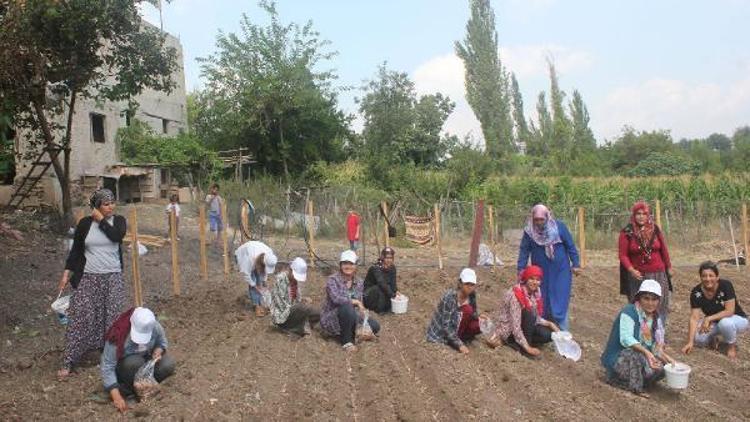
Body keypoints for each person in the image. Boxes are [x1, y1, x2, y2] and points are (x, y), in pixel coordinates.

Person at [57, 188, 127, 379]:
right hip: (88, 277)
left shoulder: (119, 222)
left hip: (113, 277)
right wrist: (65, 274)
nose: (111, 206)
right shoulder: (84, 224)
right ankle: (69, 360)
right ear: (96, 206)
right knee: (80, 316)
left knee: (111, 318)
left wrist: (101, 220)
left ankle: (110, 358)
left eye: (113, 202)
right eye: (106, 204)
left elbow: (116, 237)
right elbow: (76, 251)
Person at [601, 280, 676, 397]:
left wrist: (670, 361)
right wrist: (647, 353)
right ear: (639, 298)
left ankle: (639, 381)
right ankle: (631, 386)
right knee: (636, 354)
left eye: (654, 299)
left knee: (664, 367)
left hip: (642, 357)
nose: (650, 303)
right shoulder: (629, 312)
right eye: (646, 298)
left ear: (659, 301)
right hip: (621, 357)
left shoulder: (656, 318)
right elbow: (626, 339)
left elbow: (656, 348)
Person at [517, 204, 581, 331]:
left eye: (542, 219)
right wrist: (521, 269)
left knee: (560, 298)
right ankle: (547, 331)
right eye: (536, 220)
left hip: (560, 271)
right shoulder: (529, 232)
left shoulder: (559, 227)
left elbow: (570, 246)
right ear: (532, 219)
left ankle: (564, 332)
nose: (539, 222)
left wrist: (576, 263)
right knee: (542, 298)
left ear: (547, 217)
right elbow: (524, 251)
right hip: (540, 273)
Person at [101, 307, 175, 413]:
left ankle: (147, 385)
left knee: (168, 364)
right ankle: (130, 391)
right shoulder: (118, 334)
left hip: (146, 361)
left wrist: (158, 350)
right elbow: (107, 366)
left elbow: (162, 343)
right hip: (127, 367)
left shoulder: (154, 326)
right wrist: (116, 396)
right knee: (134, 363)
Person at [487, 265, 559, 357]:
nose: (535, 282)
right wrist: (528, 348)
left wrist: (550, 324)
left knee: (548, 333)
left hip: (524, 324)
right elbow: (515, 326)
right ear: (525, 279)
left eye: (537, 280)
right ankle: (522, 347)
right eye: (531, 279)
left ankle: (522, 342)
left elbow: (536, 317)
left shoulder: (535, 293)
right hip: (510, 330)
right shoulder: (516, 295)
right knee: (529, 315)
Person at [682, 261, 748, 360]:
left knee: (725, 323)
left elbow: (729, 311)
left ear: (717, 277)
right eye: (704, 276)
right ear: (700, 277)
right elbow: (694, 318)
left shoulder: (725, 285)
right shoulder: (696, 292)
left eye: (711, 275)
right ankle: (715, 338)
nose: (708, 279)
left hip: (736, 319)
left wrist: (708, 318)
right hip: (715, 321)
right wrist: (690, 342)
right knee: (699, 340)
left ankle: (731, 346)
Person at [618, 201, 672, 319]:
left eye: (644, 214)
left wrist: (669, 267)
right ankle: (640, 333)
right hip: (638, 275)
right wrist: (631, 270)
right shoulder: (627, 232)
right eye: (638, 213)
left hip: (658, 273)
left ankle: (658, 333)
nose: (641, 216)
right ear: (633, 215)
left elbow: (664, 249)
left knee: (660, 304)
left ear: (648, 215)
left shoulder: (655, 229)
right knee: (639, 305)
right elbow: (623, 255)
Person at [320, 250, 381, 352]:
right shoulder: (333, 280)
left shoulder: (359, 282)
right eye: (345, 263)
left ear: (355, 266)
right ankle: (347, 342)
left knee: (374, 325)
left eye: (351, 263)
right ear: (340, 265)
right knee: (346, 306)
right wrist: (356, 302)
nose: (348, 266)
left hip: (351, 316)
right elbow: (336, 299)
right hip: (333, 317)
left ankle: (357, 333)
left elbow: (359, 303)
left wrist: (363, 316)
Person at [426, 268, 483, 354]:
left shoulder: (472, 295)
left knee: (479, 324)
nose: (470, 287)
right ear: (460, 284)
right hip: (443, 331)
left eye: (472, 284)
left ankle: (460, 337)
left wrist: (479, 317)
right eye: (467, 284)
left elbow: (473, 313)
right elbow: (446, 325)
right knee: (467, 310)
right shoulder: (450, 297)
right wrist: (460, 345)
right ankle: (454, 340)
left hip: (458, 323)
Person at [269, 257, 320, 336]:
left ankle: (305, 323)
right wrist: (299, 306)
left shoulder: (294, 281)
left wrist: (302, 300)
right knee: (304, 308)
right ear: (290, 269)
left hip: (292, 309)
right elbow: (282, 305)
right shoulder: (280, 280)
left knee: (317, 312)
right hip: (282, 316)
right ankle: (292, 328)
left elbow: (294, 297)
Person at [235, 240, 278, 317]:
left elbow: (265, 271)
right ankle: (256, 306)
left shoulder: (269, 255)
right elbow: (247, 275)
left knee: (260, 281)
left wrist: (264, 281)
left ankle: (261, 303)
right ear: (262, 263)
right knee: (254, 281)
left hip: (256, 256)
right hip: (244, 254)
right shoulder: (249, 259)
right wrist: (255, 286)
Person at [363, 247, 399, 314]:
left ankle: (387, 307)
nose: (389, 260)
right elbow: (381, 283)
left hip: (382, 292)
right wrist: (393, 295)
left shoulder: (392, 268)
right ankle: (379, 309)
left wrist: (396, 291)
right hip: (369, 293)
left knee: (388, 289)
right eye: (387, 258)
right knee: (380, 288)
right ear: (382, 258)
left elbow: (393, 282)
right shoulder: (375, 268)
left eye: (391, 258)